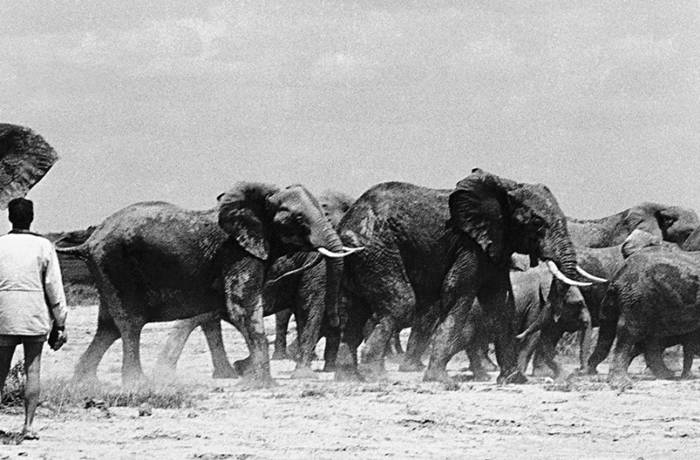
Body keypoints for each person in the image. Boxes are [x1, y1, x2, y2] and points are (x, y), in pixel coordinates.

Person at [0, 197, 68, 440]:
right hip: (34, 315)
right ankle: (28, 426)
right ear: (31, 218)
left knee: (0, 370)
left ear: (9, 217)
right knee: (33, 370)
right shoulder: (44, 246)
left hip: (4, 316)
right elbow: (54, 288)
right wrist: (60, 322)